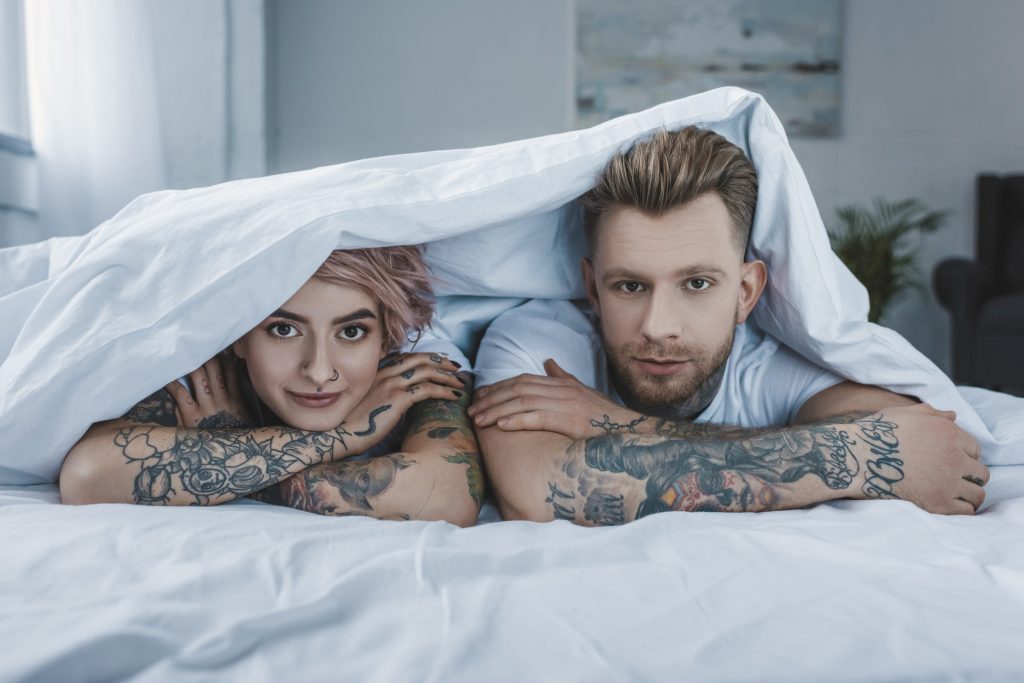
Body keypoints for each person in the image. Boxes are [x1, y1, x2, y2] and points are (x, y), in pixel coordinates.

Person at [470, 126, 988, 525]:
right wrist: (844, 456)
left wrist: (612, 422)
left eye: (696, 283)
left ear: (746, 292)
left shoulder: (780, 365)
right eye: (630, 286)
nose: (659, 327)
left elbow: (928, 446)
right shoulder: (536, 343)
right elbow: (532, 490)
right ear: (592, 288)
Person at [60, 246, 483, 526]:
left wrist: (225, 451)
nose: (319, 371)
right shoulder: (207, 375)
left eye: (352, 332)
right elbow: (89, 475)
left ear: (387, 338)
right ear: (240, 337)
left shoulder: (420, 370)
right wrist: (346, 436)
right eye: (283, 329)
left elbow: (445, 495)